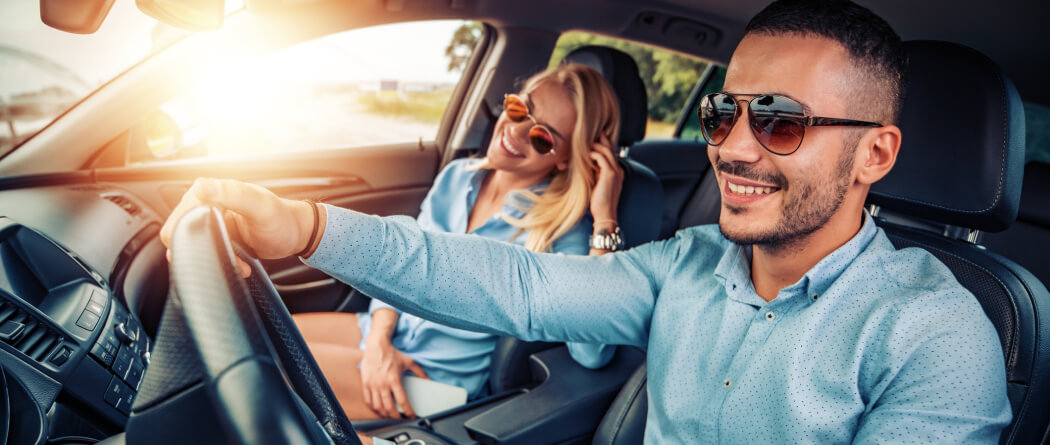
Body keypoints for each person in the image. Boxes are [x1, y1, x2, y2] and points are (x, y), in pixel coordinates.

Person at [161, 0, 1012, 442]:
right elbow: (514, 282)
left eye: (781, 120)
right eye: (724, 114)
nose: (735, 149)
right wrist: (305, 226)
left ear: (876, 154)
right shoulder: (685, 263)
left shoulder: (936, 335)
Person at [288, 63, 623, 419]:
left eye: (543, 137)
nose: (516, 130)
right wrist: (377, 342)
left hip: (432, 379)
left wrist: (605, 219)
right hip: (387, 331)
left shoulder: (562, 231)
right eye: (519, 110)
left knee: (271, 367)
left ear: (568, 158)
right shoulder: (456, 177)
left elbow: (592, 352)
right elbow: (398, 264)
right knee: (262, 330)